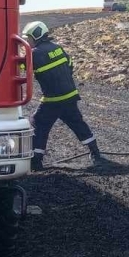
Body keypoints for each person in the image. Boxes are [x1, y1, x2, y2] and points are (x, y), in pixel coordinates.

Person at [22, 21, 106, 171]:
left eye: (28, 38)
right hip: (70, 96)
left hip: (53, 100)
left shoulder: (34, 53)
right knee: (78, 124)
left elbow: (19, 66)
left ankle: (36, 161)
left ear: (36, 35)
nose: (27, 41)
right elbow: (70, 64)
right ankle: (96, 153)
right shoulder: (58, 48)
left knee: (38, 124)